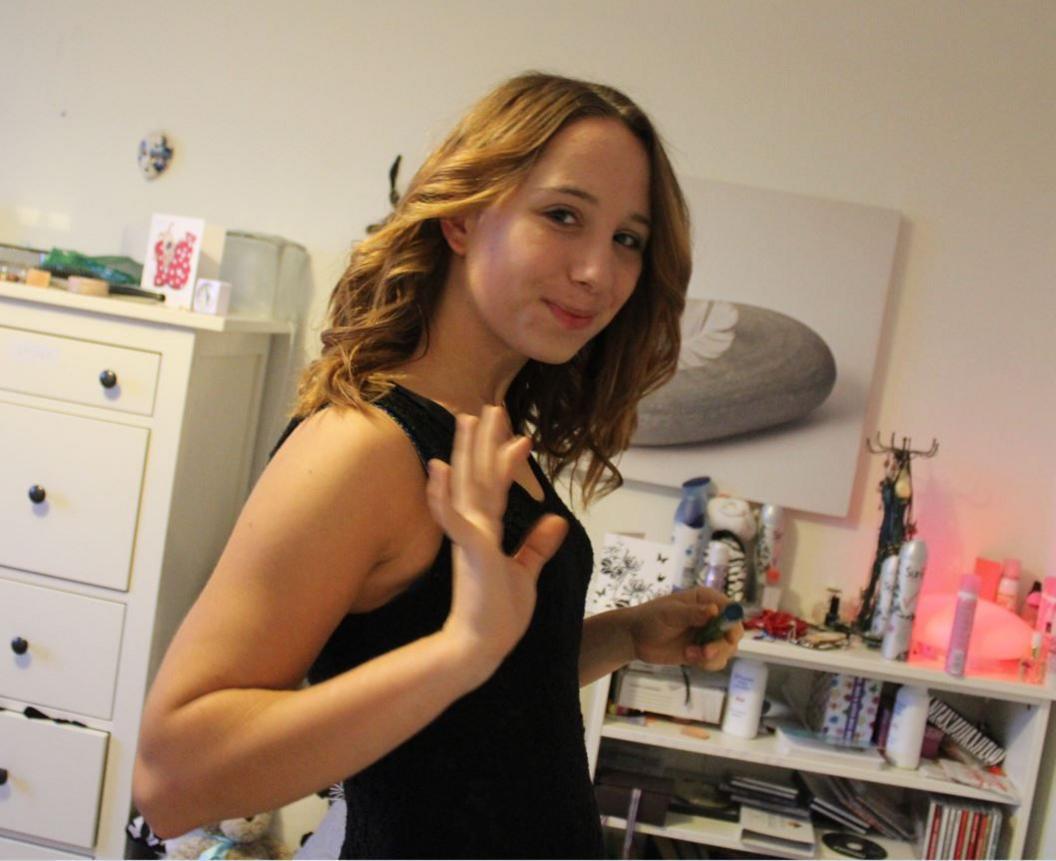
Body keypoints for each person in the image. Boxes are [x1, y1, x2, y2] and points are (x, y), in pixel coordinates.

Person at [132, 71, 743, 859]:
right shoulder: (363, 448)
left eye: (627, 239)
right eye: (563, 216)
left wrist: (625, 634)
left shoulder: (488, 433)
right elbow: (172, 776)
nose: (599, 271)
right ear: (462, 217)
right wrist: (462, 647)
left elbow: (486, 707)